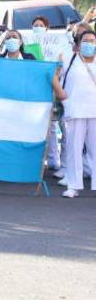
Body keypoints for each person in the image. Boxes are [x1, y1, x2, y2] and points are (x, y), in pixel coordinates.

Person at [55, 30, 96, 198]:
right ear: (78, 44)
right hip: (75, 110)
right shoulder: (68, 59)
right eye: (85, 40)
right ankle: (73, 185)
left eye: (92, 41)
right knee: (74, 149)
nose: (89, 44)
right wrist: (62, 94)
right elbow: (53, 77)